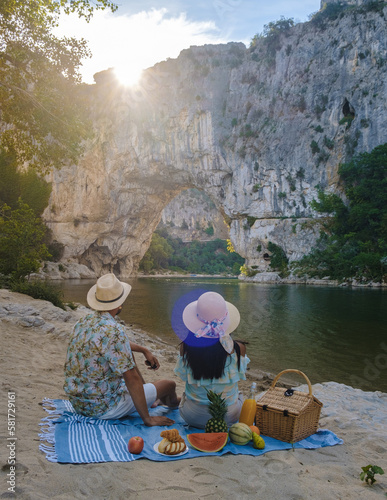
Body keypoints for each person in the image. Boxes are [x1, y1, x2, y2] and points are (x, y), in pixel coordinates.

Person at [64, 273, 179, 426]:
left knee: (128, 354)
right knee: (169, 384)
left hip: (79, 403)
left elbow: (109, 343)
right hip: (103, 408)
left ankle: (151, 396)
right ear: (119, 304)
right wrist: (147, 419)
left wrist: (143, 349)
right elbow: (131, 378)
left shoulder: (83, 321)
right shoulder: (114, 330)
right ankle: (171, 403)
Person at [173, 291, 249, 428]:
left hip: (192, 416)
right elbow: (240, 375)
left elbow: (184, 377)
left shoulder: (186, 347)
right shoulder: (239, 348)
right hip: (229, 416)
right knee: (239, 396)